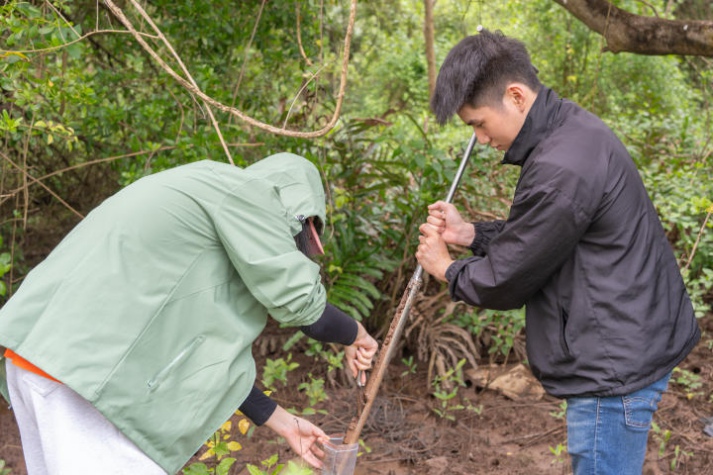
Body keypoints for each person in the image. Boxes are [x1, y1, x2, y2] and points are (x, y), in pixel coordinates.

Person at [415, 29, 700, 474]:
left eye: (478, 125)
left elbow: (506, 279)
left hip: (613, 364)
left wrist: (446, 269)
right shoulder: (567, 130)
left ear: (515, 96)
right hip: (626, 339)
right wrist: (470, 233)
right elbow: (544, 235)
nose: (483, 141)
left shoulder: (560, 165)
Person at [0, 153, 378, 475]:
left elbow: (206, 362)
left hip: (42, 360)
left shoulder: (205, 211)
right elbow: (303, 307)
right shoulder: (251, 197)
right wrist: (357, 333)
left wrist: (285, 423)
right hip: (84, 378)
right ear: (302, 215)